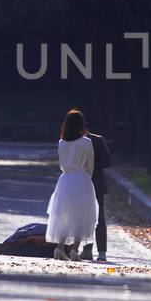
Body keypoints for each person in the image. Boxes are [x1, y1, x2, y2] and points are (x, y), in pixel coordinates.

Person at [46, 109, 98, 260]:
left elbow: (62, 165)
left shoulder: (61, 142)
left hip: (65, 180)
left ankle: (60, 248)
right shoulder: (87, 142)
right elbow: (91, 165)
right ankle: (75, 249)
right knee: (82, 215)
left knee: (64, 214)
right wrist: (85, 178)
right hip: (82, 179)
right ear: (82, 124)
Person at [82, 112, 113, 262]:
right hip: (79, 184)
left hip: (96, 184)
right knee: (83, 218)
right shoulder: (73, 141)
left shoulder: (97, 140)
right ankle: (86, 250)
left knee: (99, 218)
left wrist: (91, 166)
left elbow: (107, 161)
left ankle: (102, 253)